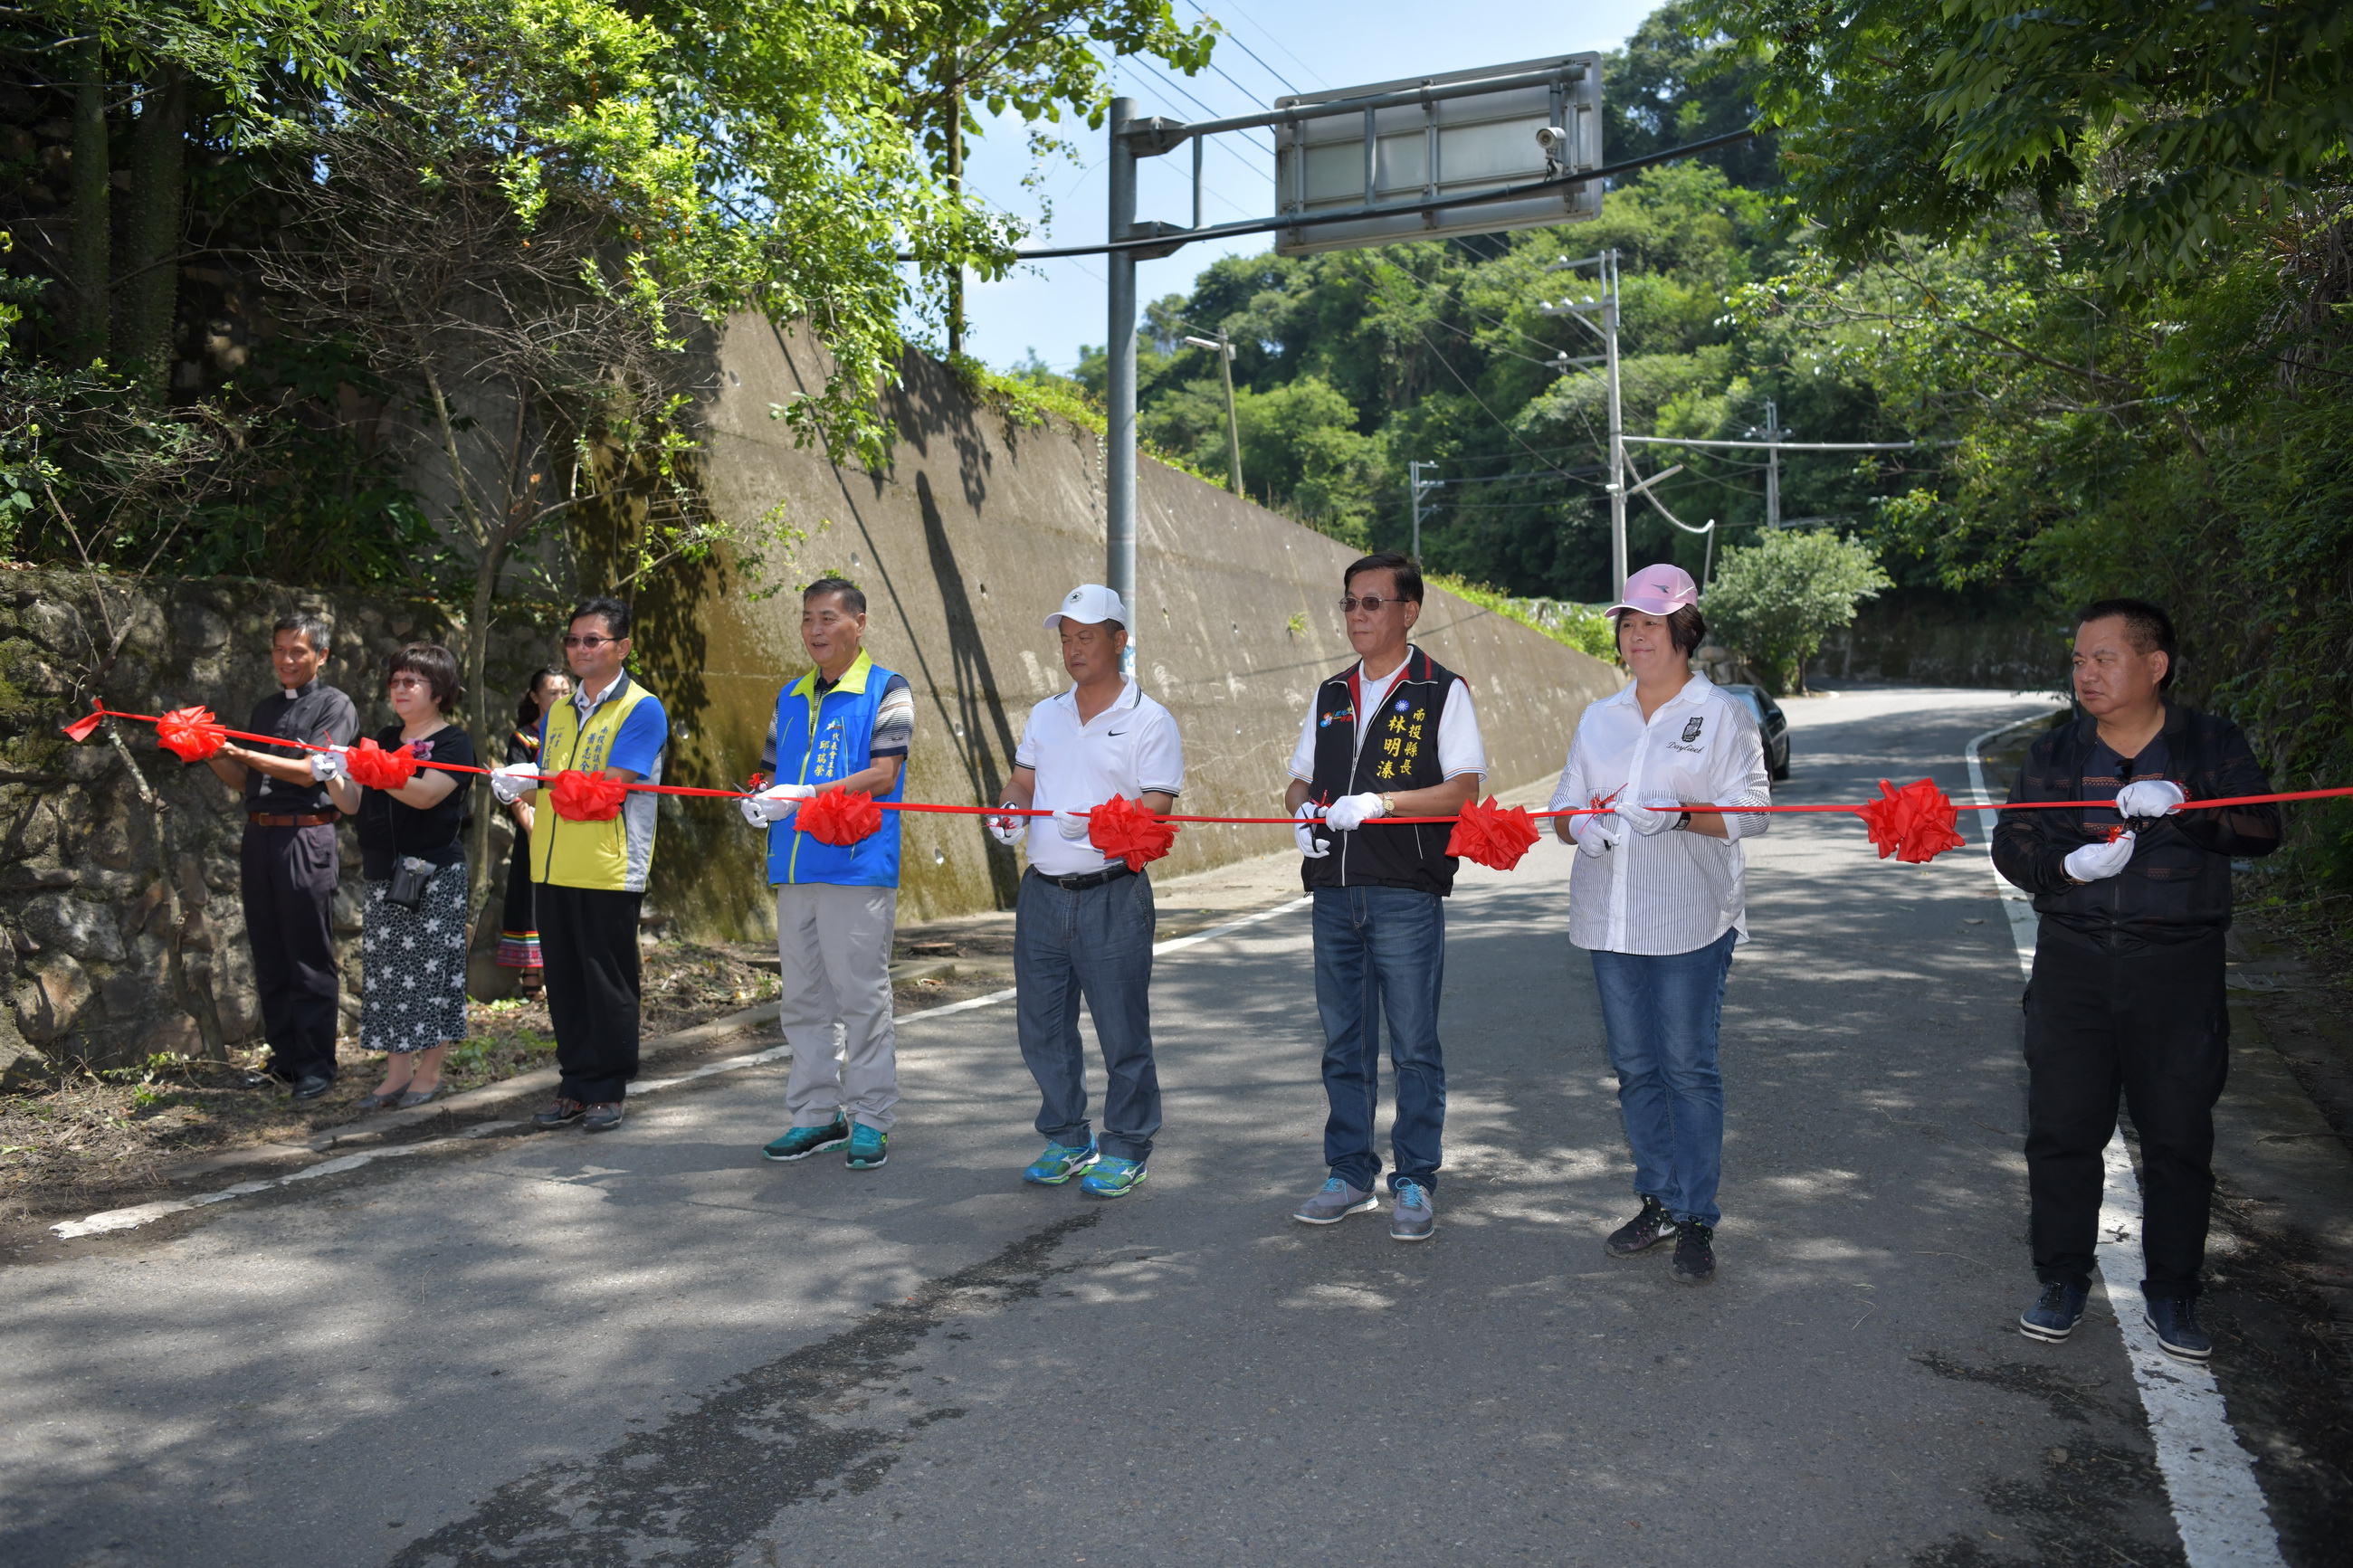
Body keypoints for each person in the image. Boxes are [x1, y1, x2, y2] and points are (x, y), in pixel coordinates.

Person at [1995, 599, 2280, 1363]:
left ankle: (2175, 1291)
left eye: (2105, 657)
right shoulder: (2057, 754)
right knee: (2061, 1130)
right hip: (2074, 962)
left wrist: (2188, 810)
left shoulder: (2209, 742)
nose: (2086, 672)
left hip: (2177, 967)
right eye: (2080, 659)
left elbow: (2262, 827)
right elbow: (2012, 840)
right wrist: (2064, 867)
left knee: (2179, 1135)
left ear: (2156, 665)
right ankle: (2061, 1278)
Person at [1548, 563, 1770, 1286]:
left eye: (1649, 622)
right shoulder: (1599, 717)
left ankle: (1698, 1214)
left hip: (1690, 922)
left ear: (1684, 630)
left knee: (1687, 1066)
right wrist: (1581, 825)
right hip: (1608, 919)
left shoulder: (1724, 715)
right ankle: (1660, 1198)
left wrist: (1678, 813)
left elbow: (1752, 814)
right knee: (1636, 1067)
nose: (1634, 635)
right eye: (1627, 623)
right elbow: (1561, 809)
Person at [1283, 551, 1486, 1241]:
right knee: (1344, 1042)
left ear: (1409, 610)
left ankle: (1417, 1179)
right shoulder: (1330, 694)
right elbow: (1298, 779)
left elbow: (1464, 789)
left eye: (1373, 602)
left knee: (1413, 1044)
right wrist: (1304, 812)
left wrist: (1383, 802)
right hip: (1333, 892)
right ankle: (1348, 1172)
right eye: (1349, 602)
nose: (1358, 615)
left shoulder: (1441, 690)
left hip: (1405, 892)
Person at [985, 584, 1185, 1199]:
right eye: (1066, 637)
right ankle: (1068, 1137)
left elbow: (1157, 802)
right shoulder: (1047, 713)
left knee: (1122, 1029)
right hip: (1043, 892)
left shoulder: (1150, 719)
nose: (1073, 648)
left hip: (1112, 894)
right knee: (1042, 1027)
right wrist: (1010, 811)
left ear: (1119, 641)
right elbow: (1021, 781)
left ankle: (1127, 1145)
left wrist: (1100, 821)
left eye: (1086, 636)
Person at [747, 578, 913, 1173]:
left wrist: (810, 791)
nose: (815, 630)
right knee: (804, 1000)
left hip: (855, 866)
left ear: (859, 623)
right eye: (807, 619)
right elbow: (768, 774)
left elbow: (884, 774)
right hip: (793, 864)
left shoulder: (887, 688)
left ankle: (870, 1117)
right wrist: (759, 798)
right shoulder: (789, 694)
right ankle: (817, 1115)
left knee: (861, 995)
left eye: (828, 618)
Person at [490, 598, 669, 1135]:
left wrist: (540, 780)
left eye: (594, 640)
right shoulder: (560, 711)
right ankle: (574, 1083)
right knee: (564, 980)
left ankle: (608, 1088)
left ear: (623, 647)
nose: (581, 649)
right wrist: (525, 780)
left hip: (609, 866)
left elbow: (612, 786)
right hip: (551, 863)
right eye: (573, 641)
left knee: (606, 979)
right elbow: (552, 777)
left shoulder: (642, 708)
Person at [203, 613, 360, 1101]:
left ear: (322, 656)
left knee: (307, 953)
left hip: (306, 839)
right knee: (269, 951)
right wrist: (208, 749)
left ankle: (316, 1063)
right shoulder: (265, 708)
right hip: (260, 838)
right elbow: (246, 783)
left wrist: (243, 752)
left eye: (298, 651)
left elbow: (309, 772)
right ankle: (285, 1059)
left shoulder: (336, 706)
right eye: (279, 650)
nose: (287, 659)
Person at [325, 644, 477, 1109]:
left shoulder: (455, 742)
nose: (401, 689)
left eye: (412, 681)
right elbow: (351, 803)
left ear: (440, 690)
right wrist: (333, 773)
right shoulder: (385, 737)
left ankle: (429, 1073)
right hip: (382, 872)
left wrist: (372, 771)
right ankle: (396, 1074)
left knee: (432, 974)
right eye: (395, 681)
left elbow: (429, 795)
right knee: (389, 977)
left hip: (433, 873)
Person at [496, 667, 571, 998]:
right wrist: (530, 828)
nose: (559, 698)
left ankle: (563, 971)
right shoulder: (524, 738)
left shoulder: (578, 732)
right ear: (536, 697)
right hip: (535, 825)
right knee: (532, 896)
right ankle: (532, 974)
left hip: (571, 823)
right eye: (552, 692)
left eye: (565, 691)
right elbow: (513, 786)